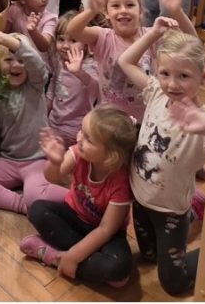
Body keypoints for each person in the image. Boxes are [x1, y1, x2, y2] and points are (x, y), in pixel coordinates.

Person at [118, 21, 205, 295]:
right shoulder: (157, 92)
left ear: (203, 77)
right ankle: (197, 207)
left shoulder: (203, 122)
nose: (172, 84)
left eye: (184, 76)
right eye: (165, 73)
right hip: (140, 196)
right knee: (148, 255)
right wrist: (154, 33)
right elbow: (126, 61)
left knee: (175, 283)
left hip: (171, 210)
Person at [20, 106, 137, 288]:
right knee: (37, 210)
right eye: (82, 131)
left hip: (105, 234)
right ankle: (82, 262)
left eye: (88, 138)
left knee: (119, 268)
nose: (79, 138)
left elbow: (106, 230)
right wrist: (55, 161)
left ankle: (52, 255)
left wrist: (74, 256)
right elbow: (52, 177)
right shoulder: (78, 152)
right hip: (74, 216)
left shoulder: (120, 183)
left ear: (110, 155)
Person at [0, 28, 67, 215]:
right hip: (9, 161)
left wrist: (7, 39)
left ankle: (76, 201)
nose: (16, 65)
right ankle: (23, 205)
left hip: (37, 161)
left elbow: (36, 64)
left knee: (35, 194)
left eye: (21, 60)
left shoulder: (35, 85)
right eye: (9, 59)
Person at [68, 0, 196, 122]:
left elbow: (192, 41)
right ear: (107, 13)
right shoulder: (103, 37)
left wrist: (177, 11)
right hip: (109, 118)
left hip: (145, 118)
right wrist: (91, 11)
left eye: (130, 5)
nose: (123, 10)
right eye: (115, 6)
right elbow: (72, 31)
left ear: (140, 11)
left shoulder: (153, 33)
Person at [47, 12, 101, 146]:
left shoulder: (90, 65)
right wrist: (43, 118)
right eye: (61, 39)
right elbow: (51, 91)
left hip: (76, 131)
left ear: (87, 44)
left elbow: (97, 91)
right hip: (53, 125)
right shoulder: (58, 61)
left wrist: (79, 72)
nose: (65, 45)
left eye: (73, 40)